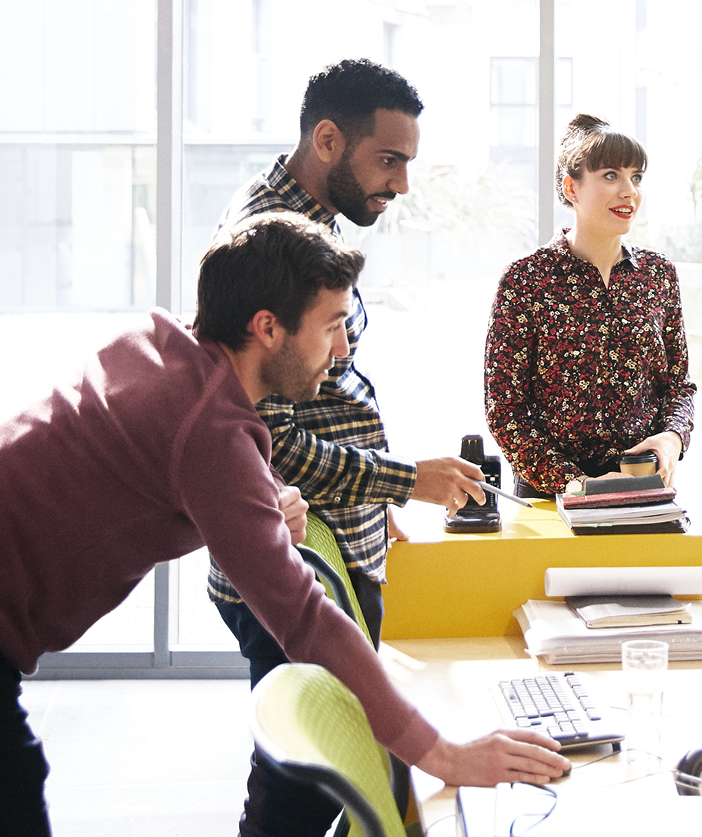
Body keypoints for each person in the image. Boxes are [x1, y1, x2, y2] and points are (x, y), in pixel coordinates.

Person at [0, 212, 570, 837]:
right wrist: (442, 753)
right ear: (267, 327)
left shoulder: (164, 341)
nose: (341, 350)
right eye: (332, 325)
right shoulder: (211, 434)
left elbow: (147, 457)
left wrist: (258, 495)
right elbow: (304, 618)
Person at [212, 60, 489, 836]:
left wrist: (376, 503)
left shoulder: (306, 221)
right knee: (300, 790)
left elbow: (329, 395)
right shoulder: (268, 239)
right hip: (299, 548)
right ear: (329, 140)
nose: (400, 184)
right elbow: (273, 439)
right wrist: (402, 480)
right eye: (388, 160)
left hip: (337, 533)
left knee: (324, 779)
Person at [485, 113, 697, 497]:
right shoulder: (525, 279)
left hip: (642, 486)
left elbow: (678, 387)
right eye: (611, 175)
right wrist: (579, 485)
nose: (629, 191)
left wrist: (672, 437)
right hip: (552, 494)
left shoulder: (659, 274)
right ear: (571, 188)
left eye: (636, 177)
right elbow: (505, 409)